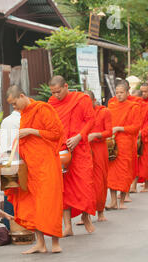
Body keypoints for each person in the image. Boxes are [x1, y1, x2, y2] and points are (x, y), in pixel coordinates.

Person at [5, 85, 64, 254]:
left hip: (46, 164)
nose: (14, 108)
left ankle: (55, 242)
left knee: (49, 202)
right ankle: (40, 243)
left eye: (15, 104)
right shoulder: (24, 114)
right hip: (30, 166)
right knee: (32, 203)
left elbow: (56, 133)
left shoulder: (42, 109)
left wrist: (31, 131)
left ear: (22, 96)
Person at [48, 76, 96, 236]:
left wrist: (79, 137)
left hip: (80, 148)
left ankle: (86, 217)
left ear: (66, 86)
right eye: (53, 92)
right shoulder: (52, 103)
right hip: (61, 150)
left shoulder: (81, 100)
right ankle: (67, 226)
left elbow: (90, 120)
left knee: (85, 185)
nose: (56, 95)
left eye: (59, 91)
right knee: (64, 189)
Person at [77, 90, 112, 224]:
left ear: (94, 101)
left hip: (99, 149)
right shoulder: (80, 114)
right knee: (85, 182)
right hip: (84, 149)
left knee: (99, 180)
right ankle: (85, 215)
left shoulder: (104, 112)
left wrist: (96, 135)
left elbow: (109, 131)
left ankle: (100, 210)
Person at [106, 82, 141, 210]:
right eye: (117, 93)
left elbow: (136, 127)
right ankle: (113, 201)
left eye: (121, 92)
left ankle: (121, 200)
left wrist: (119, 128)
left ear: (127, 93)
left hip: (126, 142)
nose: (119, 95)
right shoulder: (111, 105)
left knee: (123, 172)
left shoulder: (134, 107)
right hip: (112, 142)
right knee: (111, 173)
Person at [0, 102, 21, 230]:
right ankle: (18, 226)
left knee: (9, 195)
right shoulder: (21, 121)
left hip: (5, 161)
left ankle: (9, 226)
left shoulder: (5, 120)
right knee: (18, 196)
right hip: (16, 162)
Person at [131, 88, 148, 192]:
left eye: (137, 99)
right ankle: (133, 186)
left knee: (145, 162)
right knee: (134, 162)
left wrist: (143, 132)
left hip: (146, 138)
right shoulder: (131, 107)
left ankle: (146, 185)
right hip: (133, 137)